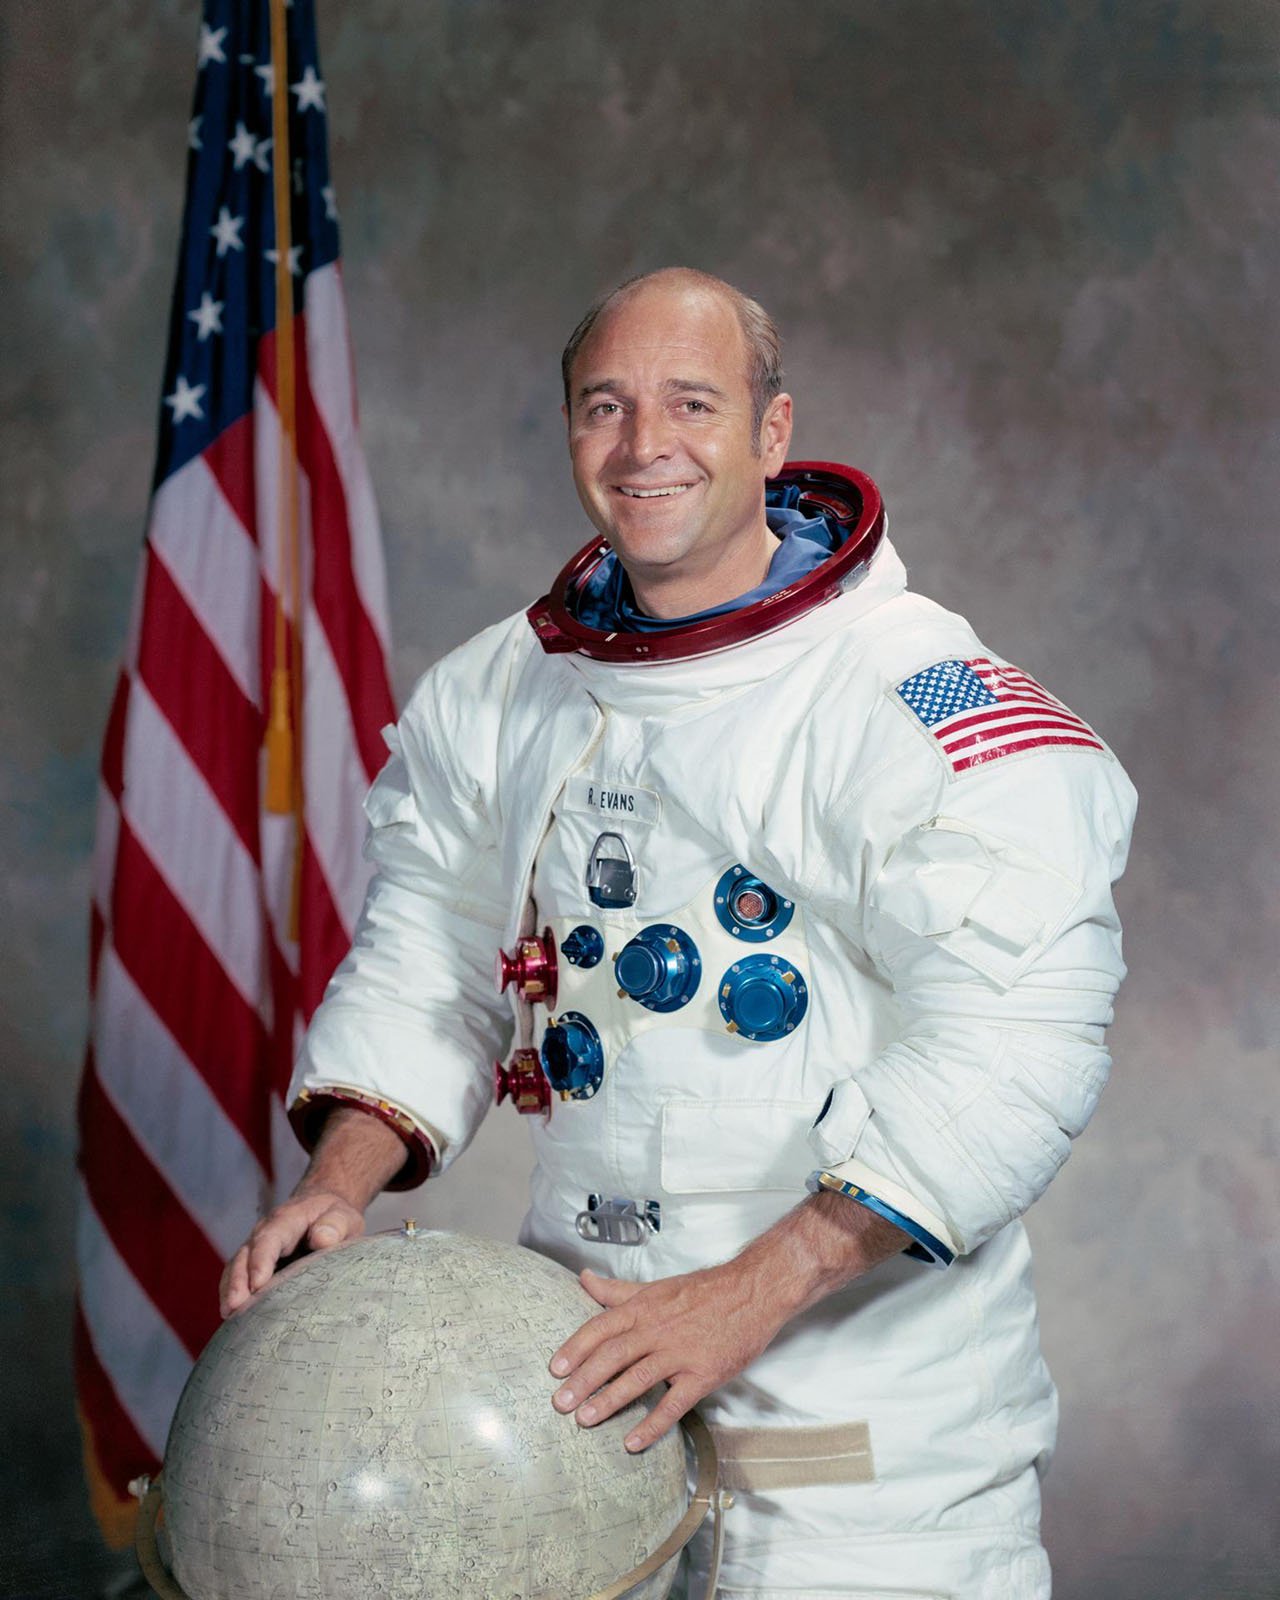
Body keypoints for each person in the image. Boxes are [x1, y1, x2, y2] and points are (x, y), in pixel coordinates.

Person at [221, 267, 1136, 1598]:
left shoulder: (915, 699)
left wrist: (744, 1297)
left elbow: (1018, 1046)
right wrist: (336, 1184)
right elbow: (431, 953)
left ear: (773, 433)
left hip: (875, 1468)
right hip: (584, 1426)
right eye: (607, 405)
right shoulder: (504, 692)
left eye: (692, 403)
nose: (645, 445)